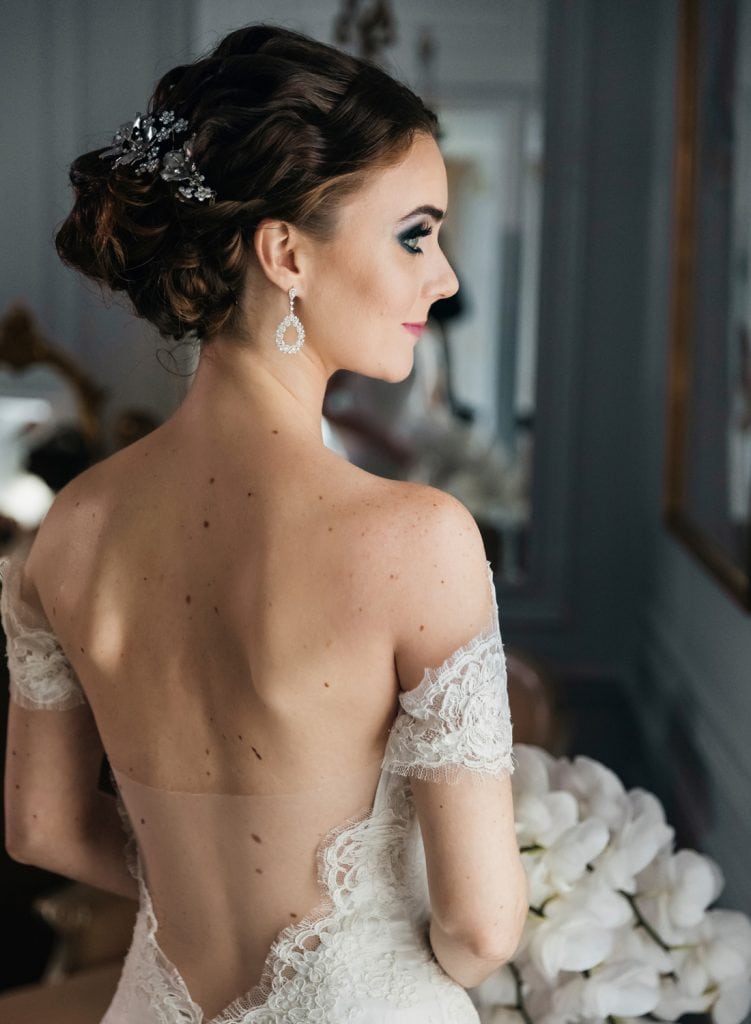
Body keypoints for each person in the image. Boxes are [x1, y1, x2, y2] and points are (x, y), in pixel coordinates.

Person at [0, 24, 527, 1023]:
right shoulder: (418, 541)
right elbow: (481, 928)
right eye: (415, 233)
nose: (444, 277)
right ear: (284, 251)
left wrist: (191, 889)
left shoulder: (64, 533)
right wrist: (365, 947)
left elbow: (43, 827)